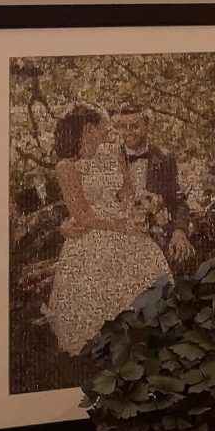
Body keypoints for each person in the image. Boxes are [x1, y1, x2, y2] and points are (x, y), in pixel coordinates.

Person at [43, 105, 171, 355]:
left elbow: (126, 194)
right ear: (89, 129)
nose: (108, 130)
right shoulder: (66, 167)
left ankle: (146, 336)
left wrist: (141, 210)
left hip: (122, 223)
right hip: (91, 232)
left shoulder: (114, 153)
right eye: (104, 126)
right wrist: (118, 226)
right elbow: (81, 214)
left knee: (147, 261)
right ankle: (108, 344)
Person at [114, 103, 193, 268]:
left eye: (134, 126)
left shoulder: (164, 159)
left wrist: (179, 231)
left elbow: (178, 201)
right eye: (123, 127)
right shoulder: (110, 157)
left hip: (154, 236)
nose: (128, 132)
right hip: (117, 236)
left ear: (147, 126)